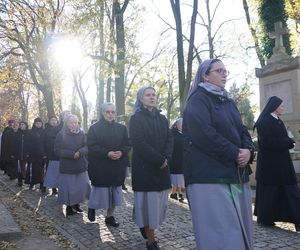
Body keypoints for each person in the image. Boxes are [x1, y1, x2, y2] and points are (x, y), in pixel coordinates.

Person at [183, 59, 255, 250]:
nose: (224, 74)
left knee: (239, 226)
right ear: (205, 75)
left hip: (235, 176)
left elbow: (243, 131)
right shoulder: (198, 99)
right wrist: (235, 153)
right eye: (219, 71)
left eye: (226, 71)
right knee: (220, 229)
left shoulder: (228, 101)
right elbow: (204, 134)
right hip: (210, 177)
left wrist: (249, 151)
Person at [129, 86, 173, 250]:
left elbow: (170, 139)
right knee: (148, 206)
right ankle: (151, 241)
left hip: (162, 169)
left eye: (154, 95)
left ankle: (146, 228)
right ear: (141, 98)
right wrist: (159, 159)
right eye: (148, 95)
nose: (152, 97)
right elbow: (139, 143)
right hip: (145, 169)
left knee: (158, 206)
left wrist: (166, 158)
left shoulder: (162, 119)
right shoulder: (136, 119)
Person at [253, 96, 300, 231]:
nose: (283, 108)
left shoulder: (277, 120)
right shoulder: (264, 121)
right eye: (281, 105)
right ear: (274, 106)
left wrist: (287, 141)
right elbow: (266, 142)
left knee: (291, 191)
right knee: (271, 192)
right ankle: (266, 218)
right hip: (270, 165)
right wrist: (287, 142)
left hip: (281, 163)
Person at [87, 102, 131, 226]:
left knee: (114, 193)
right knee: (99, 191)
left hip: (117, 166)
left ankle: (110, 216)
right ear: (102, 112)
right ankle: (92, 206)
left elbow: (127, 144)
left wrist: (121, 152)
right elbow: (91, 146)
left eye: (113, 112)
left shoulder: (121, 128)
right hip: (100, 166)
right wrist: (107, 153)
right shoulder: (94, 128)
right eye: (108, 112)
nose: (110, 114)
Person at [54, 114, 90, 216]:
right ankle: (69, 206)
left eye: (76, 122)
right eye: (71, 123)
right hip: (67, 166)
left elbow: (87, 146)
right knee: (69, 187)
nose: (74, 125)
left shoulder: (82, 133)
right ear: (67, 123)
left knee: (81, 186)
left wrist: (80, 152)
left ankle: (77, 204)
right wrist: (71, 154)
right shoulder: (61, 134)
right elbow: (57, 150)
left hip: (80, 165)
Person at [25, 118, 47, 191]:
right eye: (37, 123)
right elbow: (27, 143)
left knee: (41, 170)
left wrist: (45, 153)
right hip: (32, 154)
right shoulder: (30, 132)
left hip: (42, 154)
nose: (38, 124)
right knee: (32, 169)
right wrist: (27, 153)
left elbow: (46, 143)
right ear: (34, 124)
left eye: (40, 123)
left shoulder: (44, 132)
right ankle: (32, 183)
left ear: (42, 124)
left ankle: (41, 183)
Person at [169, 118, 185, 202]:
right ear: (176, 125)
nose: (182, 126)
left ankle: (174, 193)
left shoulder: (183, 133)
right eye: (180, 124)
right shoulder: (172, 133)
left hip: (182, 159)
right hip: (174, 158)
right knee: (176, 176)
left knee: (179, 176)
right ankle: (179, 193)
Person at [44, 116, 60, 195]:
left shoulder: (59, 129)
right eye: (52, 120)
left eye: (55, 120)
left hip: (57, 153)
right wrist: (44, 153)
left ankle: (55, 187)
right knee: (48, 170)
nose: (54, 122)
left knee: (57, 171)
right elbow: (43, 142)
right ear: (49, 121)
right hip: (48, 153)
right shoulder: (46, 130)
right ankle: (44, 185)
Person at [11, 121, 28, 186]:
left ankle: (26, 179)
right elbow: (13, 144)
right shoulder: (17, 133)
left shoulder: (28, 133)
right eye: (20, 125)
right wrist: (12, 153)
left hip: (26, 154)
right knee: (19, 168)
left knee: (25, 167)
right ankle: (20, 180)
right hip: (18, 154)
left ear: (26, 125)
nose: (21, 126)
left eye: (23, 124)